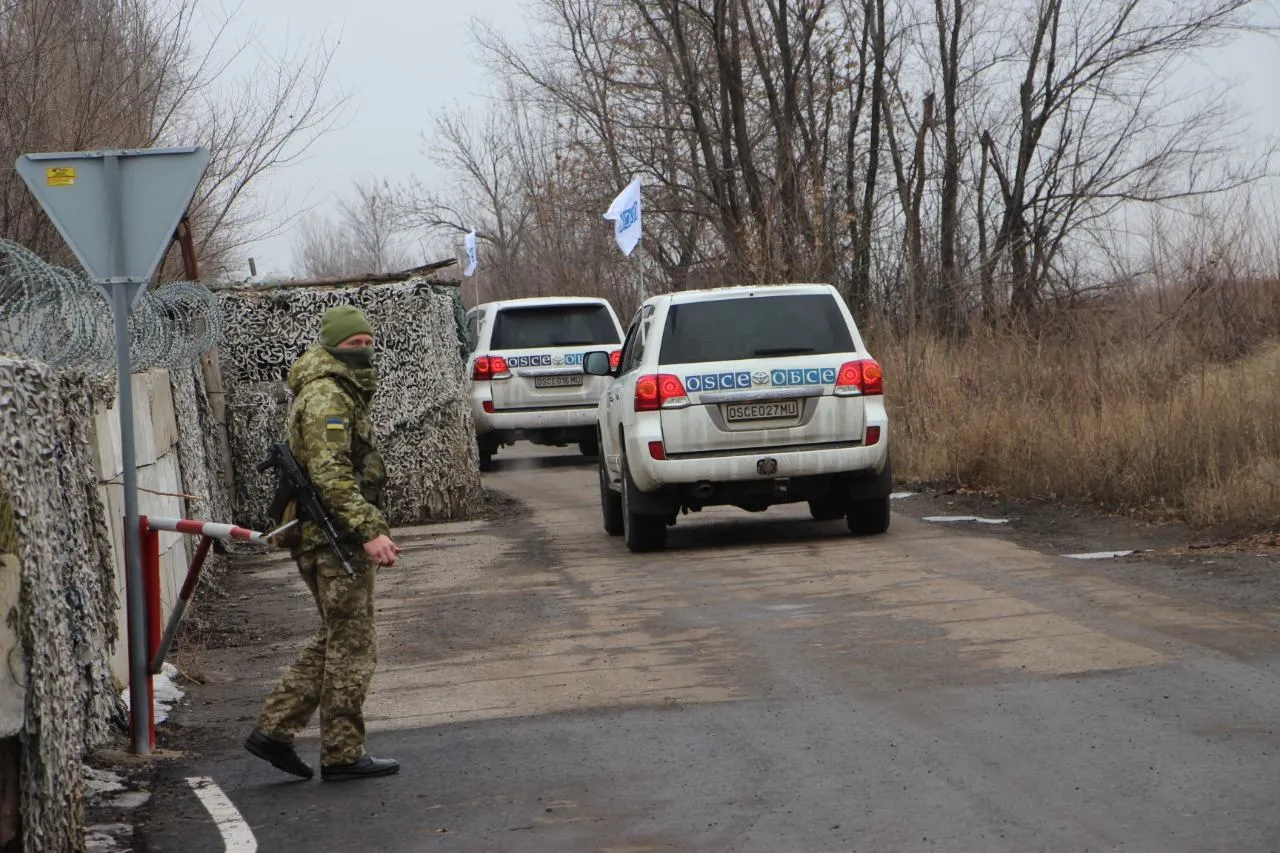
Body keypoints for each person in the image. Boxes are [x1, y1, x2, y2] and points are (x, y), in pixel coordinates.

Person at [244, 305, 403, 782]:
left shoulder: (336, 391)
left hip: (328, 534)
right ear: (331, 347)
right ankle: (341, 753)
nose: (362, 351)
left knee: (339, 637)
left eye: (366, 343)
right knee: (353, 646)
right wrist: (369, 531)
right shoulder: (327, 397)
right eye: (352, 345)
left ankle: (274, 731)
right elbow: (331, 476)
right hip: (332, 537)